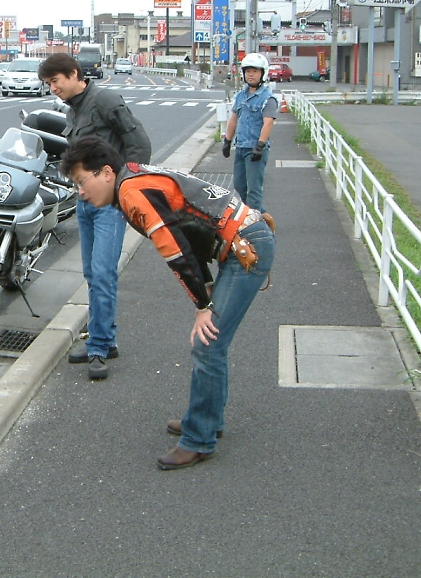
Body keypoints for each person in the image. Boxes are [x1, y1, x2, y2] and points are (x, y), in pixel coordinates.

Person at [60, 135, 275, 470]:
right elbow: (187, 234)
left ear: (105, 172)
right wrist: (204, 291)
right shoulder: (133, 176)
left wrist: (202, 306)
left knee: (208, 344)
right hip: (242, 240)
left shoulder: (130, 192)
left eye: (81, 181)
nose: (81, 192)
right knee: (211, 343)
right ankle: (206, 421)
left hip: (246, 246)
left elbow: (174, 249)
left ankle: (199, 440)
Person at [39, 53, 152, 381]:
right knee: (92, 273)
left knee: (103, 273)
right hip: (85, 201)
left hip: (109, 204)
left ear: (74, 74)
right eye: (48, 84)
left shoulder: (105, 100)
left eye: (55, 81)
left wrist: (123, 188)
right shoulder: (73, 109)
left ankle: (99, 346)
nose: (52, 88)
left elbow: (140, 145)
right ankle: (107, 338)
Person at [222, 53, 277, 214]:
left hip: (255, 148)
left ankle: (255, 222)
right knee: (239, 185)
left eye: (254, 71)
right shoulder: (240, 96)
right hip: (241, 146)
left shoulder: (268, 98)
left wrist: (260, 145)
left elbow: (268, 122)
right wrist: (227, 141)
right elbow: (233, 118)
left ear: (263, 73)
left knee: (254, 189)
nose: (250, 75)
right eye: (248, 71)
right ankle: (261, 215)